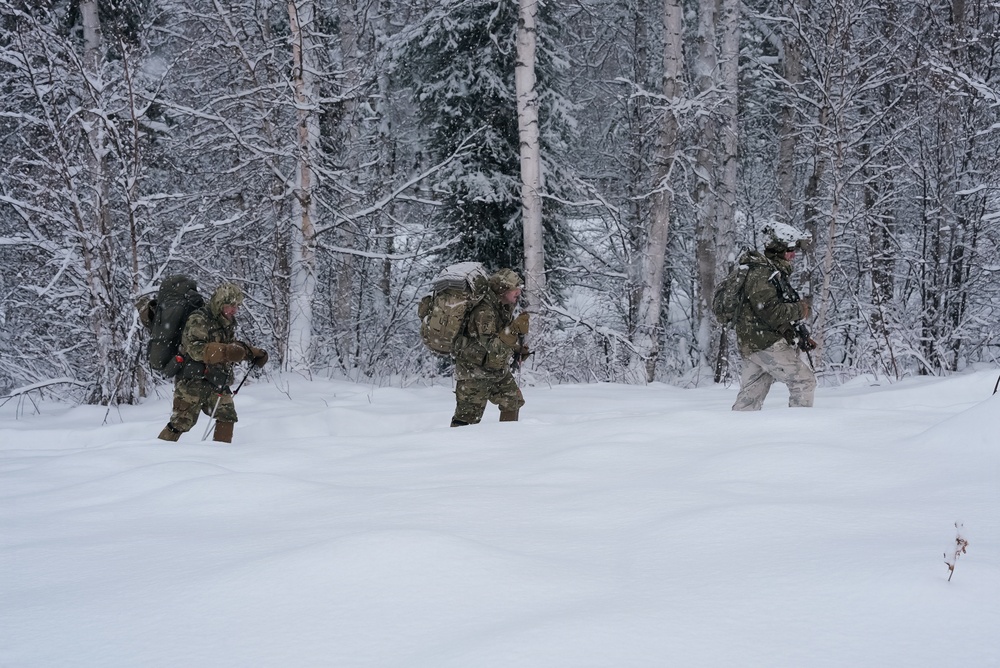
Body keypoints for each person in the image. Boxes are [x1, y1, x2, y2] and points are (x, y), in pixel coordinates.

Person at [157, 282, 268, 442]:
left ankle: (220, 456)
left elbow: (230, 345)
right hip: (192, 382)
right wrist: (226, 352)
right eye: (231, 305)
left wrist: (252, 353)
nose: (234, 310)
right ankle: (155, 454)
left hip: (216, 380)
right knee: (181, 423)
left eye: (237, 306)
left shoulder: (225, 322)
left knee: (227, 415)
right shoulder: (199, 320)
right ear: (220, 303)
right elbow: (195, 349)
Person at [731, 221, 817, 411]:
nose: (793, 255)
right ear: (777, 250)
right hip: (764, 343)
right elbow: (771, 311)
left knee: (750, 399)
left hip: (756, 342)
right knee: (804, 381)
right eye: (789, 250)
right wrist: (800, 309)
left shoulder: (770, 273)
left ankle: (737, 434)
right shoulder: (762, 274)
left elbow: (763, 313)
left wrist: (796, 335)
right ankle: (799, 433)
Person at [449, 268, 530, 426]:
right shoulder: (485, 312)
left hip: (494, 370)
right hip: (474, 372)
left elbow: (500, 338)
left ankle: (506, 440)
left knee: (512, 400)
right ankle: (455, 450)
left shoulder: (502, 306)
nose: (518, 292)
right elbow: (492, 350)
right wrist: (514, 330)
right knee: (466, 422)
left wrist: (517, 349)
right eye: (515, 288)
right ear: (503, 289)